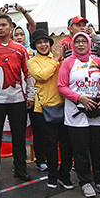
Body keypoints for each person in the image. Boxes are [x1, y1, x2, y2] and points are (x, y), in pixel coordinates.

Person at [58, 32, 100, 197]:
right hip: (76, 112)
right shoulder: (68, 62)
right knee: (80, 150)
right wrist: (78, 97)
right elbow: (61, 86)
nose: (81, 45)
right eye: (78, 42)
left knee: (98, 149)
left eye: (84, 42)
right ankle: (85, 182)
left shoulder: (97, 61)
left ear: (89, 44)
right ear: (73, 45)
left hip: (96, 111)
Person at [0, 14, 33, 185]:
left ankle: (21, 170)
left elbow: (28, 74)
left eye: (4, 25)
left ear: (11, 27)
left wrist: (30, 96)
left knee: (19, 138)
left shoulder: (21, 49)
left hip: (18, 100)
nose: (0, 28)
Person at [28, 29, 70, 189]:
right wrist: (56, 61)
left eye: (46, 42)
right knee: (51, 145)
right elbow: (42, 76)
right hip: (45, 109)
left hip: (64, 106)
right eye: (39, 42)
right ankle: (52, 176)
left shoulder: (58, 58)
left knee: (66, 145)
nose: (43, 45)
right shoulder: (33, 61)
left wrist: (59, 59)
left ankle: (65, 176)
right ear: (35, 45)